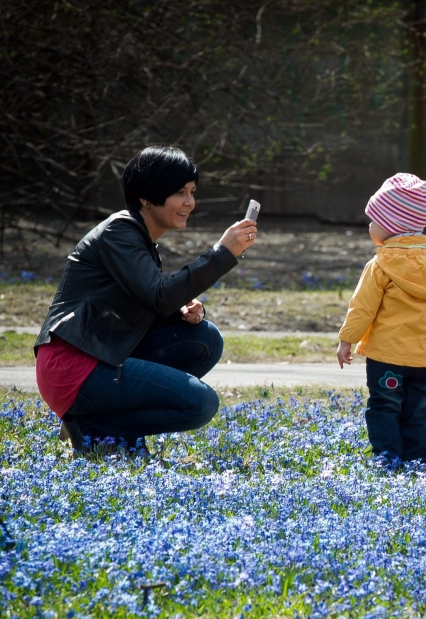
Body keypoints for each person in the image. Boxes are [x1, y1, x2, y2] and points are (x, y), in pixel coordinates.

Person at [34, 146, 258, 451]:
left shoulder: (139, 240)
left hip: (103, 356)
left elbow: (147, 303)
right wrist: (221, 254)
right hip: (74, 366)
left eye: (192, 191)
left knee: (205, 338)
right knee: (200, 403)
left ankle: (106, 433)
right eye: (179, 192)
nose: (189, 202)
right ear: (145, 196)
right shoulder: (119, 232)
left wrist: (179, 312)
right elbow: (159, 296)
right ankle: (93, 427)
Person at [336, 173, 426, 463]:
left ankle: (388, 457)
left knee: (384, 407)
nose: (369, 225)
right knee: (418, 410)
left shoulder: (380, 264)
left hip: (386, 357)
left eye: (374, 219)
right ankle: (416, 459)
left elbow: (361, 308)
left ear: (390, 226)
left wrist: (346, 340)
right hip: (424, 359)